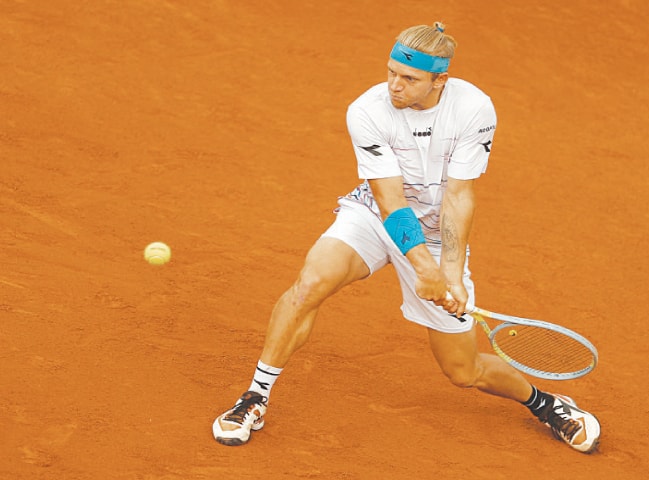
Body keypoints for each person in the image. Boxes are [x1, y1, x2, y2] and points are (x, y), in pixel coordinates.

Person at [212, 22, 601, 453]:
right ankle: (255, 396)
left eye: (409, 78)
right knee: (309, 285)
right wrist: (423, 267)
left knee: (463, 370)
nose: (394, 86)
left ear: (440, 81)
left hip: (437, 235)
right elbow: (389, 200)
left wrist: (449, 272)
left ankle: (545, 403)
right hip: (375, 216)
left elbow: (458, 194)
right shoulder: (367, 110)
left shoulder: (474, 108)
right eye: (391, 72)